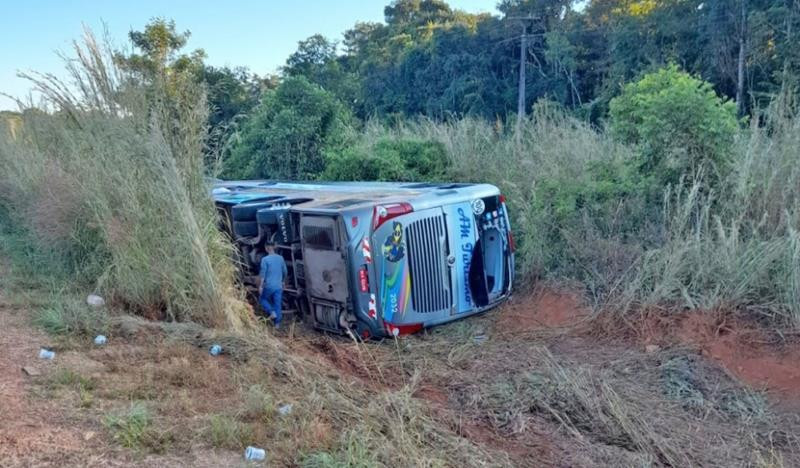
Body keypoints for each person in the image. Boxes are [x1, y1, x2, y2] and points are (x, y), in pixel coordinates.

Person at [259, 244, 287, 328]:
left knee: (262, 299)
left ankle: (272, 312)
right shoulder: (280, 258)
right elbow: (285, 271)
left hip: (269, 286)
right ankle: (277, 324)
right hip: (278, 286)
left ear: (266, 249)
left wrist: (260, 286)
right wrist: (283, 281)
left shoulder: (265, 259)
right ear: (274, 248)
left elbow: (263, 273)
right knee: (277, 304)